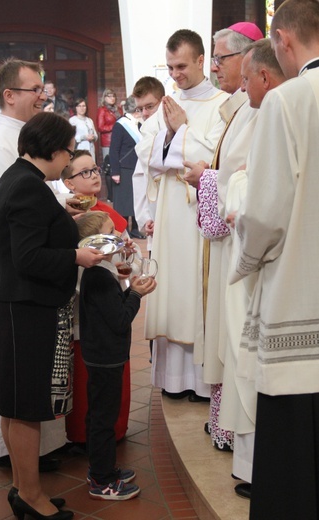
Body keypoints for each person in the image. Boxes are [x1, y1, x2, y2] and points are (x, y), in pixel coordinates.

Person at [0, 111, 103, 520]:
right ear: (51, 150)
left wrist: (62, 221)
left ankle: (22, 488)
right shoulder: (28, 188)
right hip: (27, 307)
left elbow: (27, 236)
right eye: (68, 153)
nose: (68, 162)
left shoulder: (17, 179)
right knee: (26, 404)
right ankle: (31, 497)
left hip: (16, 303)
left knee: (13, 403)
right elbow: (30, 256)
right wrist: (77, 255)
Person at [0, 58, 84, 472]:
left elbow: (32, 200)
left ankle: (36, 460)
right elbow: (0, 214)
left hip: (29, 273)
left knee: (29, 380)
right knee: (20, 385)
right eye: (34, 88)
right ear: (9, 95)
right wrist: (64, 237)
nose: (43, 94)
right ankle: (18, 467)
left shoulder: (26, 140)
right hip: (22, 279)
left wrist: (59, 206)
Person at [231, 1, 319, 517]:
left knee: (294, 467)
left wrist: (246, 261)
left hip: (298, 300)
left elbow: (263, 214)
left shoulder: (289, 101)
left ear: (282, 41)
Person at [136, 29, 229, 401]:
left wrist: (181, 131)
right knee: (172, 290)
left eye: (181, 66)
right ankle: (175, 380)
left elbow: (217, 156)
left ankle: (204, 383)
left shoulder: (224, 103)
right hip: (171, 219)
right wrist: (174, 136)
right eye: (170, 67)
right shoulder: (167, 105)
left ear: (201, 61)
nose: (174, 75)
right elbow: (145, 151)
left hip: (199, 219)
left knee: (198, 293)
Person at [184, 22, 263, 456]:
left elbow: (250, 179)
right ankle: (222, 422)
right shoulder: (239, 106)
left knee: (234, 337)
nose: (214, 67)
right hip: (224, 244)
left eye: (220, 58)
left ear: (246, 57)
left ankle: (233, 427)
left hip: (240, 246)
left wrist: (206, 178)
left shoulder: (258, 107)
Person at [78, 210, 157, 500]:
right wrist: (135, 295)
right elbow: (120, 320)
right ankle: (101, 480)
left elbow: (113, 312)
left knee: (102, 414)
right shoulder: (98, 278)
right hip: (105, 357)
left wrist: (131, 291)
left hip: (102, 354)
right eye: (112, 232)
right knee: (103, 418)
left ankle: (103, 467)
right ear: (95, 244)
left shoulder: (102, 272)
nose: (120, 237)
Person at [61, 150, 133, 447]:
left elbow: (132, 259)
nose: (94, 176)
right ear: (68, 184)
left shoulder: (108, 212)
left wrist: (126, 255)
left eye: (95, 169)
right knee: (87, 377)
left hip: (111, 301)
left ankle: (114, 432)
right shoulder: (64, 218)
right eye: (85, 172)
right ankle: (82, 436)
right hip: (82, 311)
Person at [132, 76, 165, 249]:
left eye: (150, 106)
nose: (145, 113)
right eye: (140, 108)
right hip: (155, 223)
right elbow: (139, 181)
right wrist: (145, 220)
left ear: (163, 102)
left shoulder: (176, 131)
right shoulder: (145, 139)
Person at [109, 95, 145, 239]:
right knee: (124, 202)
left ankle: (135, 228)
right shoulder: (120, 124)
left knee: (136, 200)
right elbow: (114, 150)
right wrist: (115, 171)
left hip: (138, 167)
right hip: (124, 168)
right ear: (135, 109)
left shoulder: (139, 125)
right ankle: (125, 229)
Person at [96, 88, 122, 160]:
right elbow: (100, 127)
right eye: (109, 96)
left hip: (119, 138)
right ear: (104, 98)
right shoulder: (102, 110)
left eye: (113, 96)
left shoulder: (118, 109)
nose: (112, 98)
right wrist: (114, 126)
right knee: (109, 162)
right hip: (108, 141)